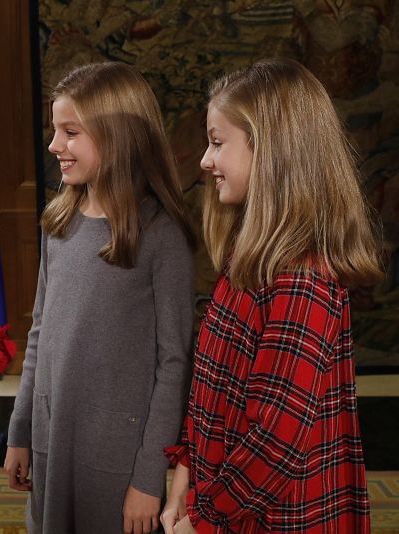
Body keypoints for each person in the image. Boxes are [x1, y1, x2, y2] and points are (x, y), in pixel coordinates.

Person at [161, 58, 381, 534]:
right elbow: (211, 391)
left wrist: (204, 517)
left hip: (278, 518)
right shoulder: (249, 257)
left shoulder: (303, 280)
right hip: (222, 501)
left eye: (218, 143)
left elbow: (275, 443)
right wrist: (186, 472)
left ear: (271, 152)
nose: (204, 159)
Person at [4, 62, 195, 534]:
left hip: (116, 459)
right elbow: (41, 330)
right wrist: (20, 429)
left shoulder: (160, 234)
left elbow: (173, 364)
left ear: (118, 136)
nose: (54, 146)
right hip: (52, 440)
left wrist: (149, 478)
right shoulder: (59, 222)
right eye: (55, 131)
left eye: (70, 132)